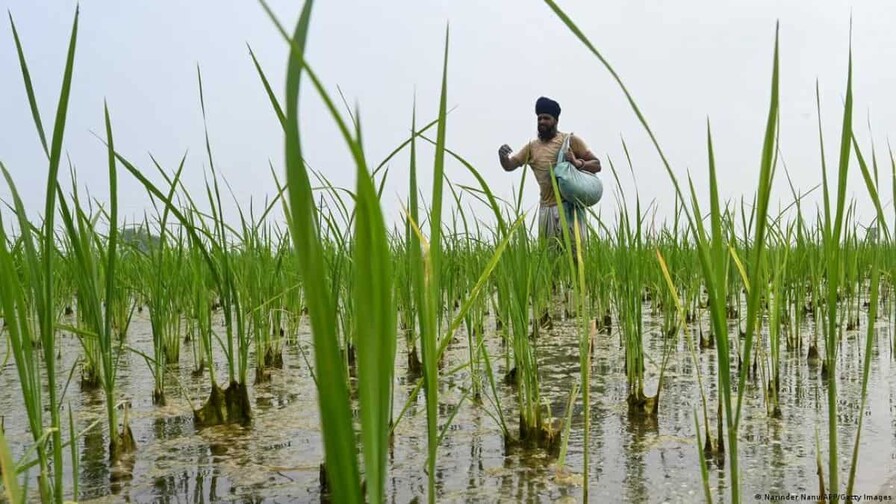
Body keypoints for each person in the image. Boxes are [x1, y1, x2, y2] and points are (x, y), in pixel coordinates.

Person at [498, 96, 601, 250]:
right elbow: (510, 165)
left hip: (569, 208)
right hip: (546, 209)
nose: (542, 122)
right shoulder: (531, 148)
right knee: (549, 256)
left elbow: (597, 165)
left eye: (546, 118)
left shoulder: (569, 141)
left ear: (556, 120)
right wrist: (503, 157)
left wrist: (576, 162)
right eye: (539, 118)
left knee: (574, 253)